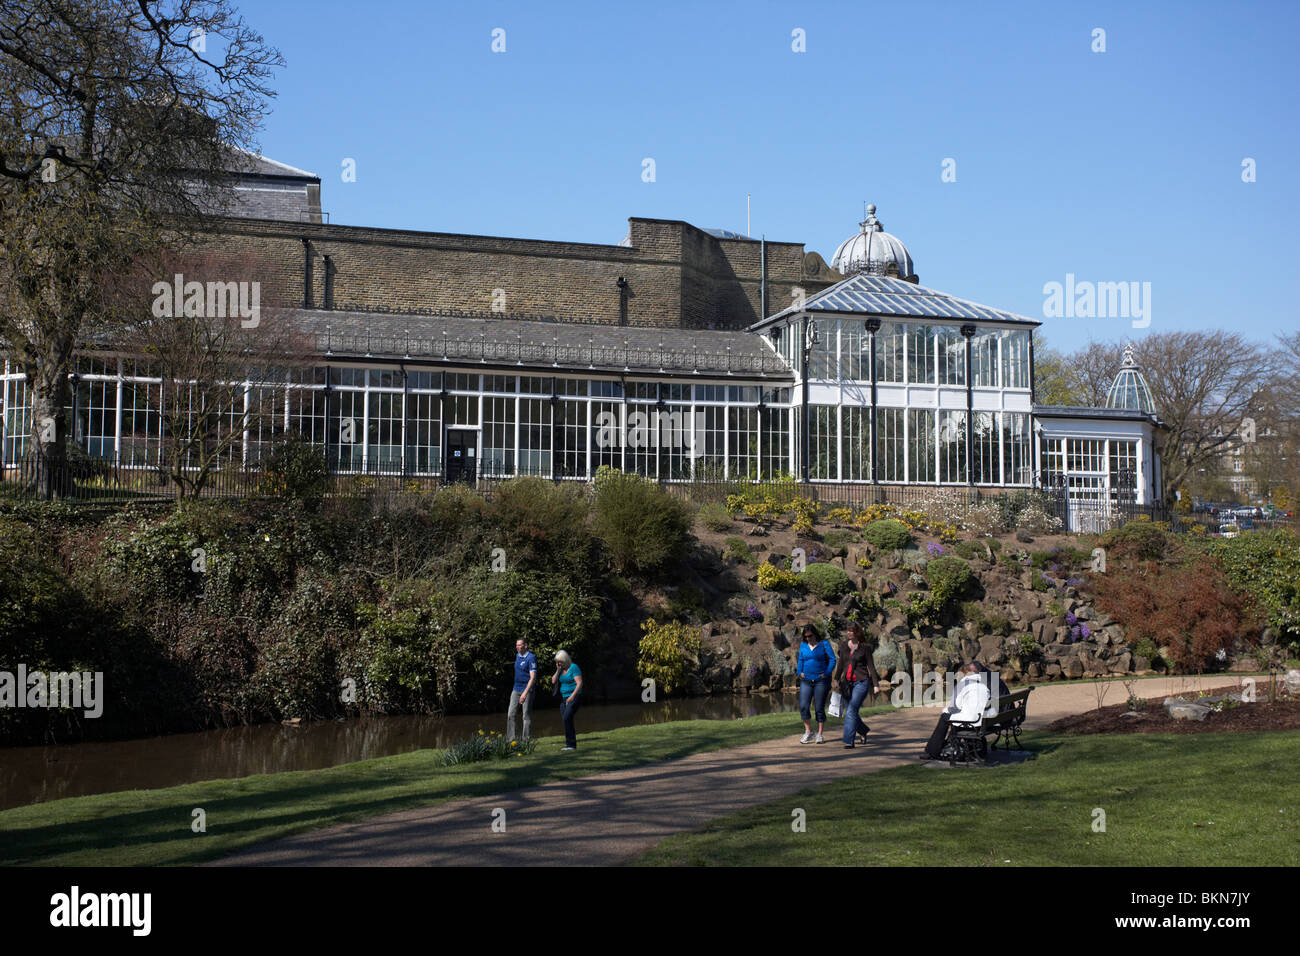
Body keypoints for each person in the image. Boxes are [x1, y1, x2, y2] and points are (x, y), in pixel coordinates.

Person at [919, 661, 990, 760]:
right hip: (983, 720)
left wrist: (945, 710)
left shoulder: (963, 684)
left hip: (972, 720)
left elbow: (954, 707)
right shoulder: (983, 684)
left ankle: (932, 751)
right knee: (955, 717)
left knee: (945, 717)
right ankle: (950, 745)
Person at [832, 622, 881, 749]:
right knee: (851, 712)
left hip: (861, 682)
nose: (848, 633)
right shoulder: (844, 646)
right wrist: (836, 679)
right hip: (846, 684)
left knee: (851, 710)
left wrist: (876, 684)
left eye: (851, 630)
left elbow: (871, 666)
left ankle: (849, 740)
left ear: (857, 632)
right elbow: (841, 664)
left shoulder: (865, 647)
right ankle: (863, 730)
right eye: (847, 630)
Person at [796, 625, 837, 744]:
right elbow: (800, 660)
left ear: (815, 634)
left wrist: (827, 672)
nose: (808, 638)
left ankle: (820, 734)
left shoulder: (824, 644)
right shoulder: (803, 645)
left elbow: (833, 659)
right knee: (803, 706)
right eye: (806, 636)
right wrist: (800, 672)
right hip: (806, 680)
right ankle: (809, 732)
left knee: (819, 707)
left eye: (810, 636)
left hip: (820, 680)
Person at [507, 638, 537, 743]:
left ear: (525, 645)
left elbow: (533, 678)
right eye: (516, 645)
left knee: (526, 716)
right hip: (516, 689)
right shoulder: (517, 656)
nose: (517, 647)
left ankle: (526, 740)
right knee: (511, 714)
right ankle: (511, 740)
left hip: (527, 690)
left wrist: (525, 693)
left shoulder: (531, 658)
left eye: (520, 645)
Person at [553, 650, 583, 751]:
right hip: (564, 698)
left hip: (574, 697)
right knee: (566, 720)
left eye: (560, 662)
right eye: (557, 662)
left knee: (566, 718)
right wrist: (558, 670)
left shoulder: (574, 667)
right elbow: (553, 680)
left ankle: (571, 745)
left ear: (565, 660)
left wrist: (572, 696)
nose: (558, 664)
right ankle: (570, 745)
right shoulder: (561, 669)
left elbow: (579, 683)